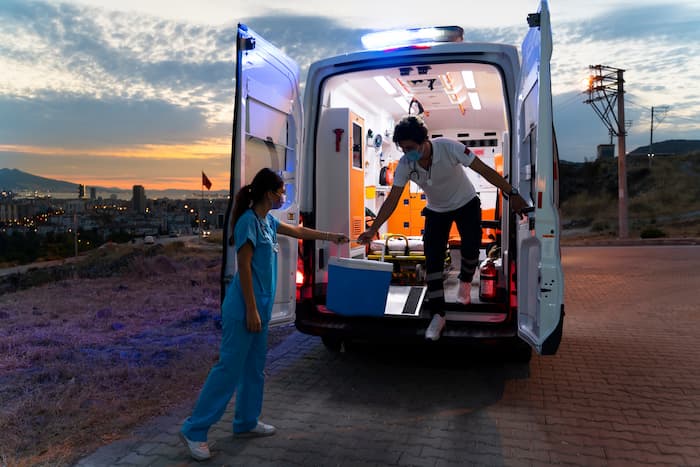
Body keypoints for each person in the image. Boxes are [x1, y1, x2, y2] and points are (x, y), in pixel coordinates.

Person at [180, 168, 349, 461]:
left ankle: (246, 422)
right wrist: (251, 310)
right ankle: (195, 430)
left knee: (254, 369)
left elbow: (297, 231)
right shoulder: (247, 222)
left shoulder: (266, 221)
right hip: (244, 310)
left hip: (260, 309)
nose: (284, 196)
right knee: (228, 370)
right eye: (281, 191)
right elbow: (243, 267)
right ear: (269, 193)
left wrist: (330, 236)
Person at [358, 116, 528, 341]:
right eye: (402, 149)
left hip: (466, 202)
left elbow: (484, 170)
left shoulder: (449, 148)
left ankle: (465, 282)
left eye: (410, 147)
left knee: (471, 246)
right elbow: (392, 199)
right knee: (433, 261)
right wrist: (373, 229)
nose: (406, 152)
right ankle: (438, 315)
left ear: (423, 141)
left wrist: (512, 193)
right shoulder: (406, 164)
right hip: (436, 210)